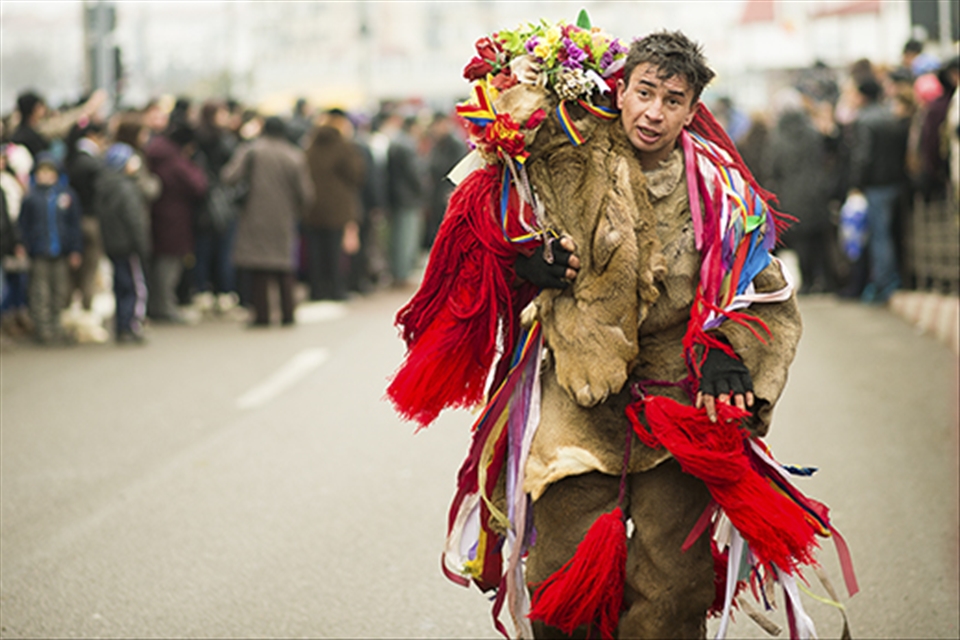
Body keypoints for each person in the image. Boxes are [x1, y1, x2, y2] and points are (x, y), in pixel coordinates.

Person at [387, 25, 838, 639]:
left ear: (690, 109)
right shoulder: (561, 162)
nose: (654, 112)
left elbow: (766, 295)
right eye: (645, 91)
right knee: (563, 580)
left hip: (678, 404)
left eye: (672, 100)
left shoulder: (722, 193)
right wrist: (524, 268)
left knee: (673, 587)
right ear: (620, 89)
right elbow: (485, 236)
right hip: (576, 400)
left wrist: (730, 352)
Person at [221, 116, 314, 326]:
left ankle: (261, 316)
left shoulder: (251, 151)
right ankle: (288, 313)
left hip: (254, 215)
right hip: (284, 217)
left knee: (259, 267)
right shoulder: (294, 155)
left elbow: (229, 176)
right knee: (284, 266)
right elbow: (306, 193)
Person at [848, 78, 909, 304]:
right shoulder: (890, 115)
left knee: (879, 236)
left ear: (863, 95)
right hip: (896, 183)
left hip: (876, 186)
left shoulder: (864, 120)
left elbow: (863, 157)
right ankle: (894, 277)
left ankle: (883, 283)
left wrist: (856, 183)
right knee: (894, 233)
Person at [145, 123, 208, 322]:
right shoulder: (175, 162)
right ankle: (165, 307)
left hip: (158, 216)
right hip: (175, 218)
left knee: (160, 264)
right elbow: (198, 185)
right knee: (170, 264)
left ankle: (156, 305)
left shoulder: (155, 155)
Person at [17, 153, 82, 345]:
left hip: (61, 251)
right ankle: (43, 329)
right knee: (40, 291)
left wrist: (75, 249)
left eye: (49, 172)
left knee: (60, 291)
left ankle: (57, 326)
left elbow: (74, 225)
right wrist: (22, 244)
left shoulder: (67, 195)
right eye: (41, 172)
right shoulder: (30, 197)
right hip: (39, 252)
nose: (45, 176)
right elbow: (23, 224)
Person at [303, 109, 365, 301]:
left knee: (316, 252)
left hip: (312, 206)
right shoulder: (342, 146)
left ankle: (317, 290)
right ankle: (336, 290)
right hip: (337, 208)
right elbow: (356, 174)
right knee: (335, 252)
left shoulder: (310, 145)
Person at [96, 143, 151, 343]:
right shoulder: (126, 188)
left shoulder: (104, 185)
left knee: (120, 285)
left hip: (112, 244)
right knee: (134, 287)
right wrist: (142, 245)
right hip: (128, 245)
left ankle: (120, 325)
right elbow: (134, 220)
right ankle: (131, 325)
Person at [384, 114, 425, 287]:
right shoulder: (408, 145)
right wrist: (423, 190)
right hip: (408, 198)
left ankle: (397, 272)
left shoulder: (395, 142)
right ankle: (403, 273)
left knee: (397, 237)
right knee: (406, 238)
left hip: (396, 196)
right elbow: (415, 174)